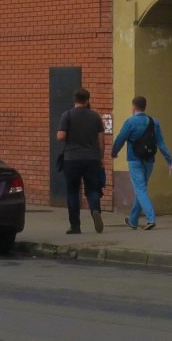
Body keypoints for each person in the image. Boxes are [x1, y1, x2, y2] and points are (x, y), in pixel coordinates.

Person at [110, 95, 172, 230]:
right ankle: (133, 220)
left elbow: (120, 139)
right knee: (142, 189)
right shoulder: (154, 122)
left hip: (134, 160)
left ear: (133, 107)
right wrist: (169, 160)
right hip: (149, 160)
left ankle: (151, 218)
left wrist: (114, 152)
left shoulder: (130, 122)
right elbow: (161, 143)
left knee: (140, 189)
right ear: (145, 107)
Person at [54, 87, 105, 234]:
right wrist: (101, 158)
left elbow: (60, 136)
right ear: (87, 100)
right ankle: (95, 210)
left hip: (72, 159)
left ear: (75, 100)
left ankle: (75, 226)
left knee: (72, 192)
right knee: (93, 189)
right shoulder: (95, 116)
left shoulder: (67, 115)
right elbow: (101, 140)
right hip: (92, 158)